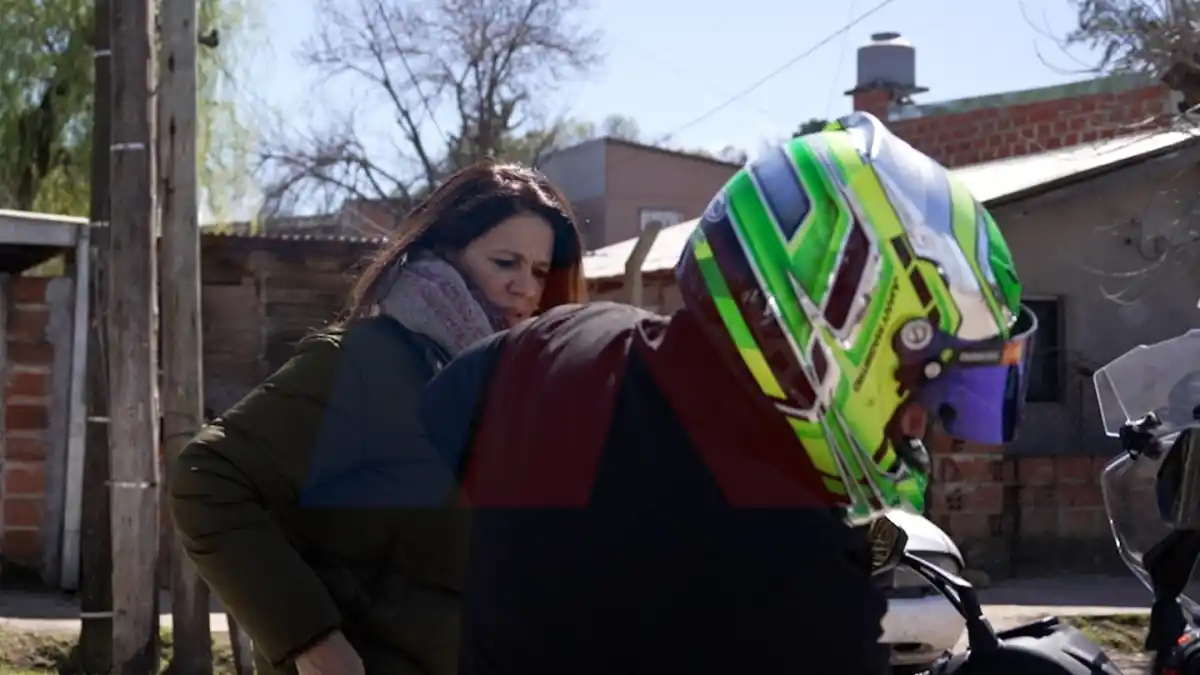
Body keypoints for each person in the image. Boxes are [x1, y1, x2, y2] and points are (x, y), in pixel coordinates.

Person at [419, 112, 1039, 675]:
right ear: (848, 325)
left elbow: (417, 452)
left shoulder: (559, 341)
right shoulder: (798, 577)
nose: (920, 425)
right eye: (931, 388)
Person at [168, 161, 587, 675]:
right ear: (447, 253)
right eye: (505, 262)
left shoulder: (514, 392)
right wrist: (314, 643)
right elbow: (207, 480)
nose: (525, 287)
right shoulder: (370, 363)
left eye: (540, 272)